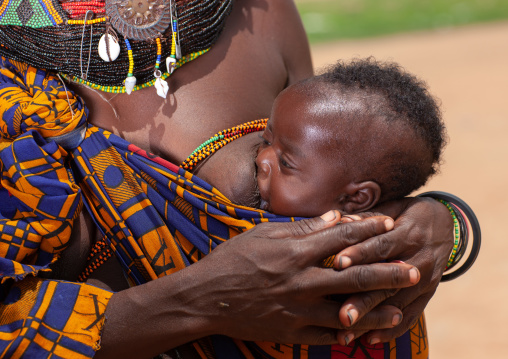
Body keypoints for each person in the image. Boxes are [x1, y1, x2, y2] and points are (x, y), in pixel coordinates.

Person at [0, 0, 463, 358]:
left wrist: (442, 221)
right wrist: (200, 302)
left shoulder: (257, 12)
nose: (266, 160)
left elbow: (351, 162)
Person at [192, 57, 446, 219]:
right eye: (267, 141)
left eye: (286, 163)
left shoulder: (361, 258)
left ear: (356, 198)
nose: (262, 159)